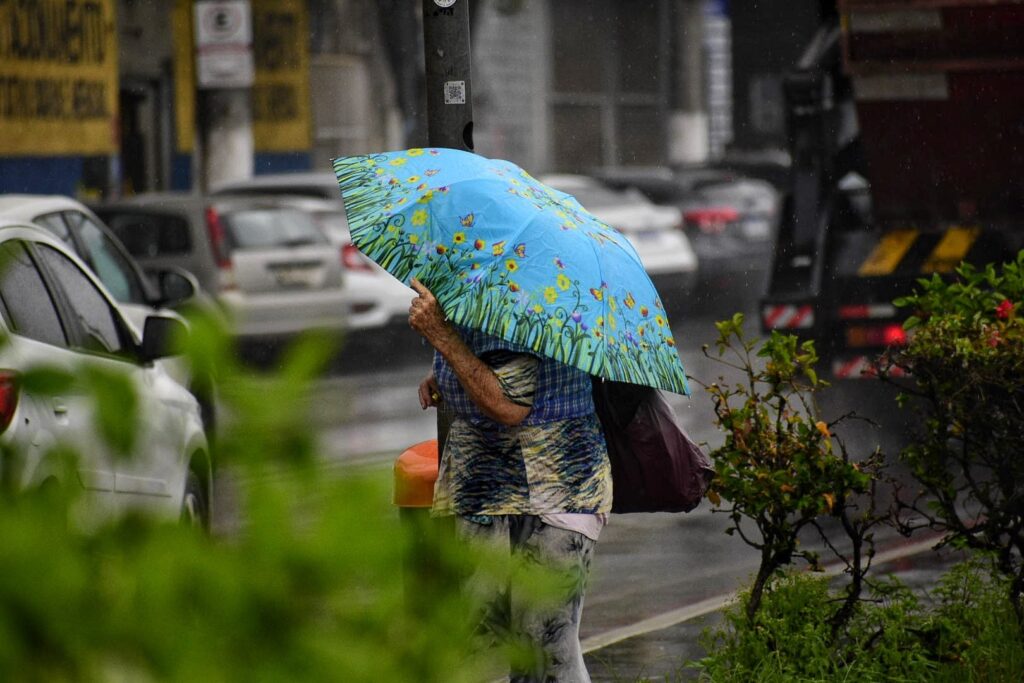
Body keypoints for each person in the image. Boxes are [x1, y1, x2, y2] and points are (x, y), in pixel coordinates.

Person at [408, 277, 612, 683]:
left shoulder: (533, 286)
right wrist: (445, 376)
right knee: (487, 639)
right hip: (484, 486)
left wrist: (443, 339)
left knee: (546, 649)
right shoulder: (481, 276)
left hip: (555, 484)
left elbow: (508, 405)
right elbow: (484, 362)